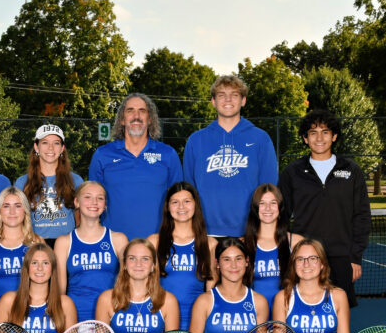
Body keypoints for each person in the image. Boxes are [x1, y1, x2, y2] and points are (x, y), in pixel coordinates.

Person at [278, 109, 370, 307]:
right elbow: (279, 215)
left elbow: (362, 216)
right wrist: (288, 242)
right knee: (303, 308)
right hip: (305, 258)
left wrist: (355, 257)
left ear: (334, 136)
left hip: (341, 257)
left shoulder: (351, 170)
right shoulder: (292, 172)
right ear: (305, 138)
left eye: (325, 132)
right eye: (313, 133)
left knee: (339, 312)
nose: (319, 138)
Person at [182, 75, 278, 237]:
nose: (228, 99)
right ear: (213, 101)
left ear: (243, 100)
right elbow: (189, 189)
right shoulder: (196, 140)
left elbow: (268, 188)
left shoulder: (260, 138)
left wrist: (260, 227)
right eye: (221, 95)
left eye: (234, 95)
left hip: (249, 231)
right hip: (206, 231)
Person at [88, 93, 182, 239]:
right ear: (122, 120)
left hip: (158, 242)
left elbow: (179, 201)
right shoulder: (102, 155)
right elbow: (91, 204)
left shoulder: (168, 154)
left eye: (142, 111)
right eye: (130, 110)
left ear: (150, 119)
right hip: (113, 244)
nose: (136, 115)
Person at [55, 181, 128, 322]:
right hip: (76, 317)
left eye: (100, 198)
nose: (94, 202)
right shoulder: (64, 242)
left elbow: (126, 285)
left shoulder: (119, 239)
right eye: (87, 197)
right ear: (76, 202)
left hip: (111, 315)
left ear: (105, 205)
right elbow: (60, 291)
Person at [147, 182, 215, 330]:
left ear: (195, 205)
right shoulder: (154, 241)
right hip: (161, 321)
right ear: (168, 207)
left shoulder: (210, 244)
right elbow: (147, 286)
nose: (181, 207)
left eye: (187, 201)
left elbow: (211, 293)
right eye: (175, 202)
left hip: (197, 323)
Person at [15, 124, 82, 247]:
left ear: (62, 148)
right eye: (45, 142)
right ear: (36, 147)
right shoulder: (22, 183)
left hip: (68, 246)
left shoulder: (76, 181)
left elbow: (81, 217)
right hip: (35, 246)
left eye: (56, 143)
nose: (50, 148)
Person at [0, 186, 42, 304]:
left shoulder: (36, 242)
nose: (12, 211)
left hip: (28, 314)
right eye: (6, 206)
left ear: (25, 210)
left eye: (17, 206)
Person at [243, 183, 301, 315]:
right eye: (262, 203)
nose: (268, 208)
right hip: (253, 317)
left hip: (286, 316)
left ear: (280, 207)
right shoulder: (243, 244)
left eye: (273, 203)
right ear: (255, 208)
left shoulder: (296, 242)